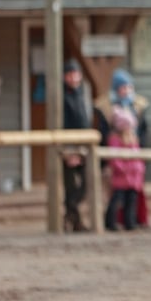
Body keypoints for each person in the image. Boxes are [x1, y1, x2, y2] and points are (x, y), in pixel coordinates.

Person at [94, 68, 150, 227]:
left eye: (128, 87)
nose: (126, 90)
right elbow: (103, 134)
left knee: (133, 195)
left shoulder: (138, 106)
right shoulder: (106, 108)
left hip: (134, 161)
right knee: (115, 195)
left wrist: (140, 162)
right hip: (117, 165)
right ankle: (111, 221)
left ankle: (131, 221)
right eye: (122, 87)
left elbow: (144, 132)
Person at [104, 106, 145, 231]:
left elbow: (138, 156)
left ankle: (130, 222)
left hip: (133, 177)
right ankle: (110, 222)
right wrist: (123, 169)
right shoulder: (114, 139)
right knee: (117, 200)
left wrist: (139, 169)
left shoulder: (133, 139)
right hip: (121, 177)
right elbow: (114, 158)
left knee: (131, 201)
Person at [61, 60, 90, 232]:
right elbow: (64, 124)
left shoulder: (81, 94)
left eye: (75, 74)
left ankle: (70, 215)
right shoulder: (62, 97)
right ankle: (74, 220)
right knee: (71, 185)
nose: (73, 78)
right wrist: (69, 150)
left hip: (83, 144)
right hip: (70, 145)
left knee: (85, 184)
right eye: (70, 74)